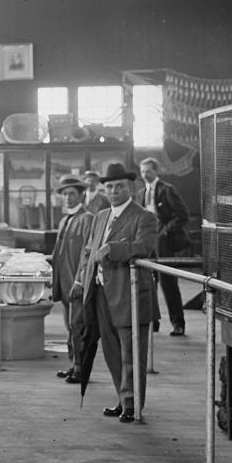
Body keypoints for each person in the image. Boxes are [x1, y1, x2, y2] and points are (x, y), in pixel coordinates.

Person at [72, 162, 157, 422]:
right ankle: (122, 400)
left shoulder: (144, 217)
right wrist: (79, 281)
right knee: (111, 351)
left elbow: (145, 245)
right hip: (100, 293)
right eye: (109, 187)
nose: (114, 191)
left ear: (130, 187)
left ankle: (132, 404)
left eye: (119, 186)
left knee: (131, 352)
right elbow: (88, 251)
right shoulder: (99, 217)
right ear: (104, 189)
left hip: (129, 294)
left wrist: (112, 248)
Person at [49, 176, 95, 385]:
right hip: (65, 283)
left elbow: (88, 253)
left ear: (81, 195)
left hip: (77, 284)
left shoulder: (87, 219)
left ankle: (80, 369)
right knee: (70, 327)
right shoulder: (64, 220)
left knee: (79, 327)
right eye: (65, 194)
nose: (67, 198)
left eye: (72, 194)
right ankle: (73, 364)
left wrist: (81, 281)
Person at [139, 156, 191, 336]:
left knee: (168, 283)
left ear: (156, 171)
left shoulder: (167, 190)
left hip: (164, 243)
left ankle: (178, 324)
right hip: (147, 242)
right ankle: (152, 322)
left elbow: (183, 215)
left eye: (149, 171)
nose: (145, 174)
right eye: (143, 171)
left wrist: (165, 231)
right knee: (147, 283)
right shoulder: (140, 194)